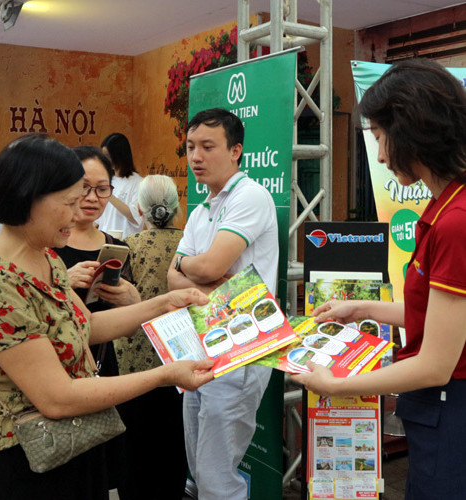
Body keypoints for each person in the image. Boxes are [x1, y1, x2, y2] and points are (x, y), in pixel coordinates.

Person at [0, 134, 214, 500]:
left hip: (68, 446)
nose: (76, 212)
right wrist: (164, 375)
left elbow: (86, 327)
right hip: (18, 461)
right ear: (27, 197)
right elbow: (58, 397)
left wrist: (164, 303)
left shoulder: (46, 256)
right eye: (69, 201)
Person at [292, 59, 466, 500]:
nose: (382, 156)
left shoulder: (455, 222)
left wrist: (336, 386)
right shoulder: (444, 206)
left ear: (411, 129)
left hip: (451, 411)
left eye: (378, 137)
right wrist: (361, 308)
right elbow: (435, 316)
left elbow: (435, 363)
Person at [167, 108, 279, 499]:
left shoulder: (251, 196)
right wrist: (196, 270)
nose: (196, 157)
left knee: (217, 477)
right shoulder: (201, 210)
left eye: (207, 146)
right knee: (198, 472)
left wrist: (195, 268)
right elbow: (172, 277)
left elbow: (211, 264)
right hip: (201, 343)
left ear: (235, 151)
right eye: (191, 146)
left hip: (241, 346)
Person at [53, 145, 141, 494]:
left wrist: (133, 300)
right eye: (83, 186)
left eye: (102, 188)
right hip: (56, 371)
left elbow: (128, 322)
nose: (92, 197)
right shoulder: (46, 246)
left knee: (100, 472)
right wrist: (62, 279)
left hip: (103, 365)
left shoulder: (116, 246)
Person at [115, 174, 185, 499]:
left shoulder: (127, 248)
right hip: (180, 359)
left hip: (133, 367)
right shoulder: (191, 247)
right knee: (174, 444)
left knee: (135, 448)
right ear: (176, 208)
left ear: (140, 211)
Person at [97, 132, 143, 237]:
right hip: (104, 242)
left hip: (127, 244)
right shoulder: (107, 179)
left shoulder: (139, 183)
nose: (105, 160)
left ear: (119, 156)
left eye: (107, 156)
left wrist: (109, 195)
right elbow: (99, 219)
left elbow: (136, 217)